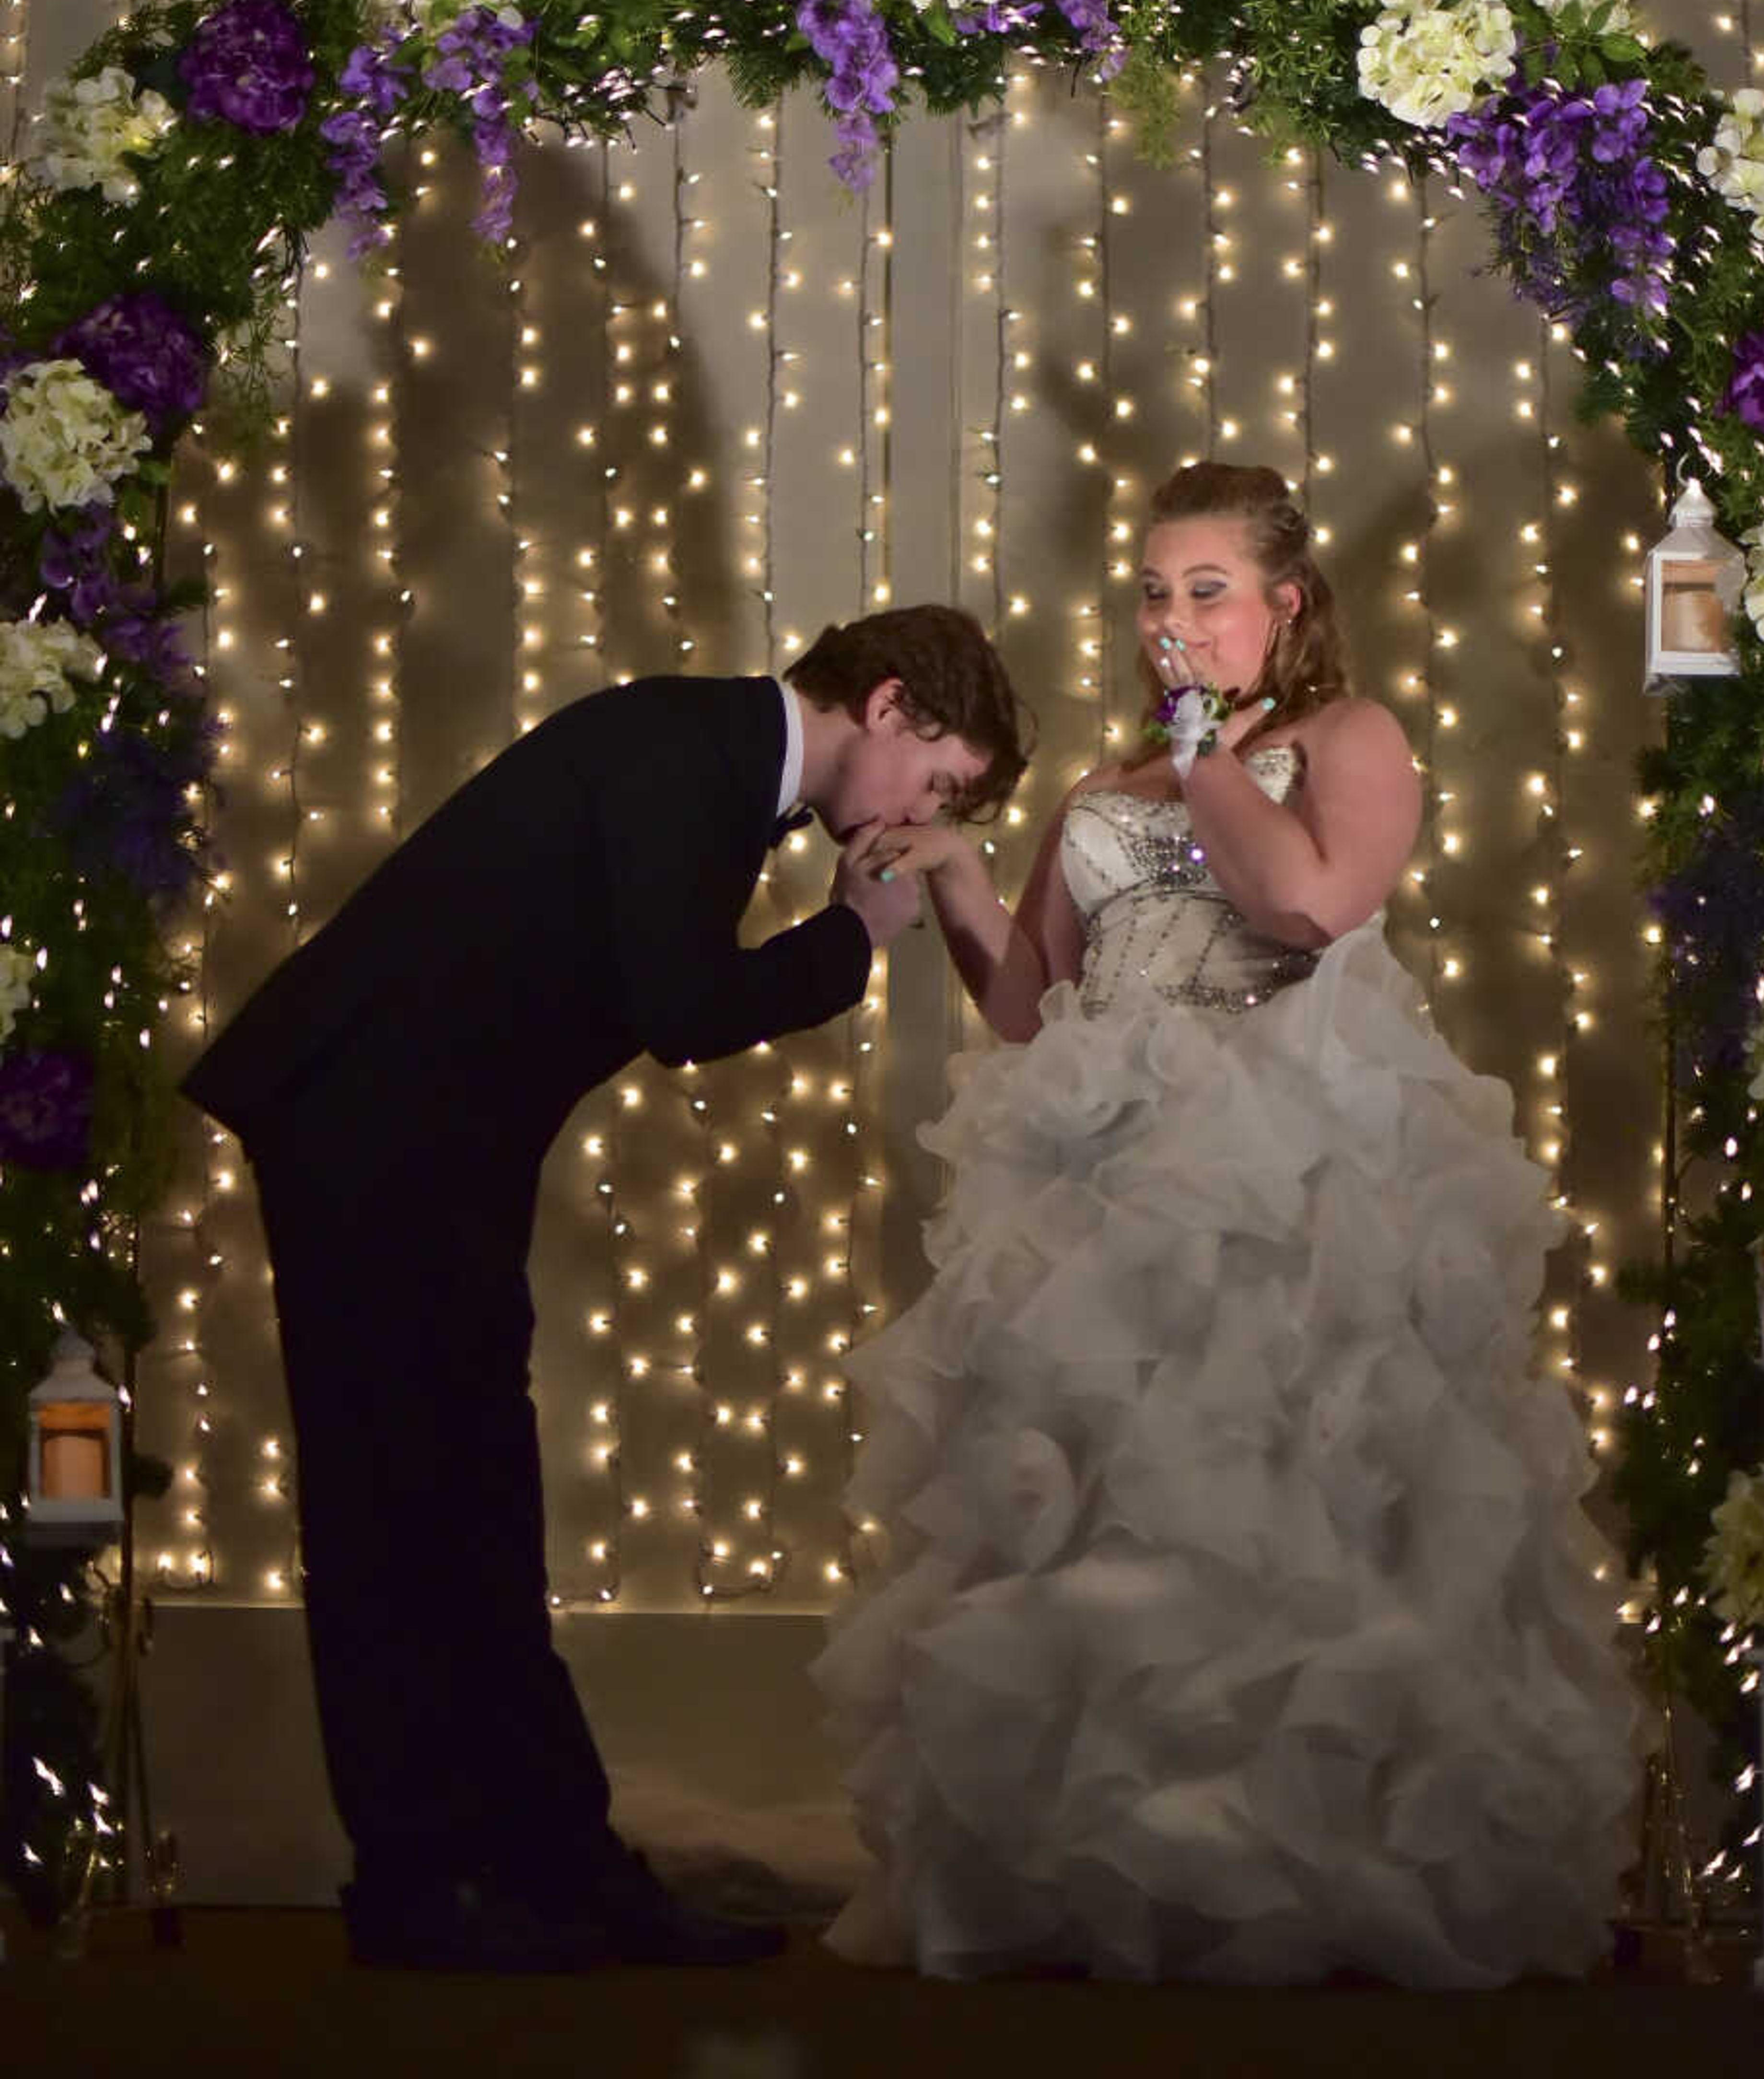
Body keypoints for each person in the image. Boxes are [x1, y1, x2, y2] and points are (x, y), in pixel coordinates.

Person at [813, 464, 1645, 1987]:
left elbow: (1315, 907)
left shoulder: (1347, 739)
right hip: (1103, 1173)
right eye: (1151, 590)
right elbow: (1030, 1007)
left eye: (1206, 590)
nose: (1171, 621)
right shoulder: (1102, 791)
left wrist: (1208, 770)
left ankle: (1300, 1873)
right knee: (1110, 1504)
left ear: (1287, 604)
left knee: (1274, 1503)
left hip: (1281, 1168)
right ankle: (1104, 1871)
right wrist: (958, 882)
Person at [180, 606, 1028, 1974]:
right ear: (886, 707)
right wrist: (854, 937)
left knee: (465, 1505)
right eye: (939, 783)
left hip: (419, 1139)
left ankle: (536, 1867)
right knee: (405, 1506)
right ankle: (438, 1886)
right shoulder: (687, 750)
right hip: (373, 1129)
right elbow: (681, 1008)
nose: (924, 814)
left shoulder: (701, 750)